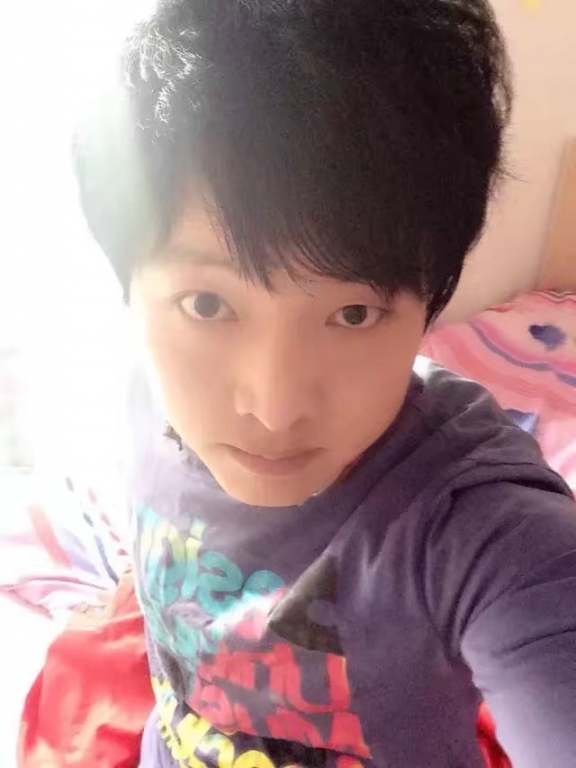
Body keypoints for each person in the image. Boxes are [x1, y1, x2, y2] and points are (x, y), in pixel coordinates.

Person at [72, 1, 576, 765]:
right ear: (130, 287)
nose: (274, 408)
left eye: (353, 313)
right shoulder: (145, 388)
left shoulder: (476, 528)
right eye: (208, 305)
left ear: (430, 300)